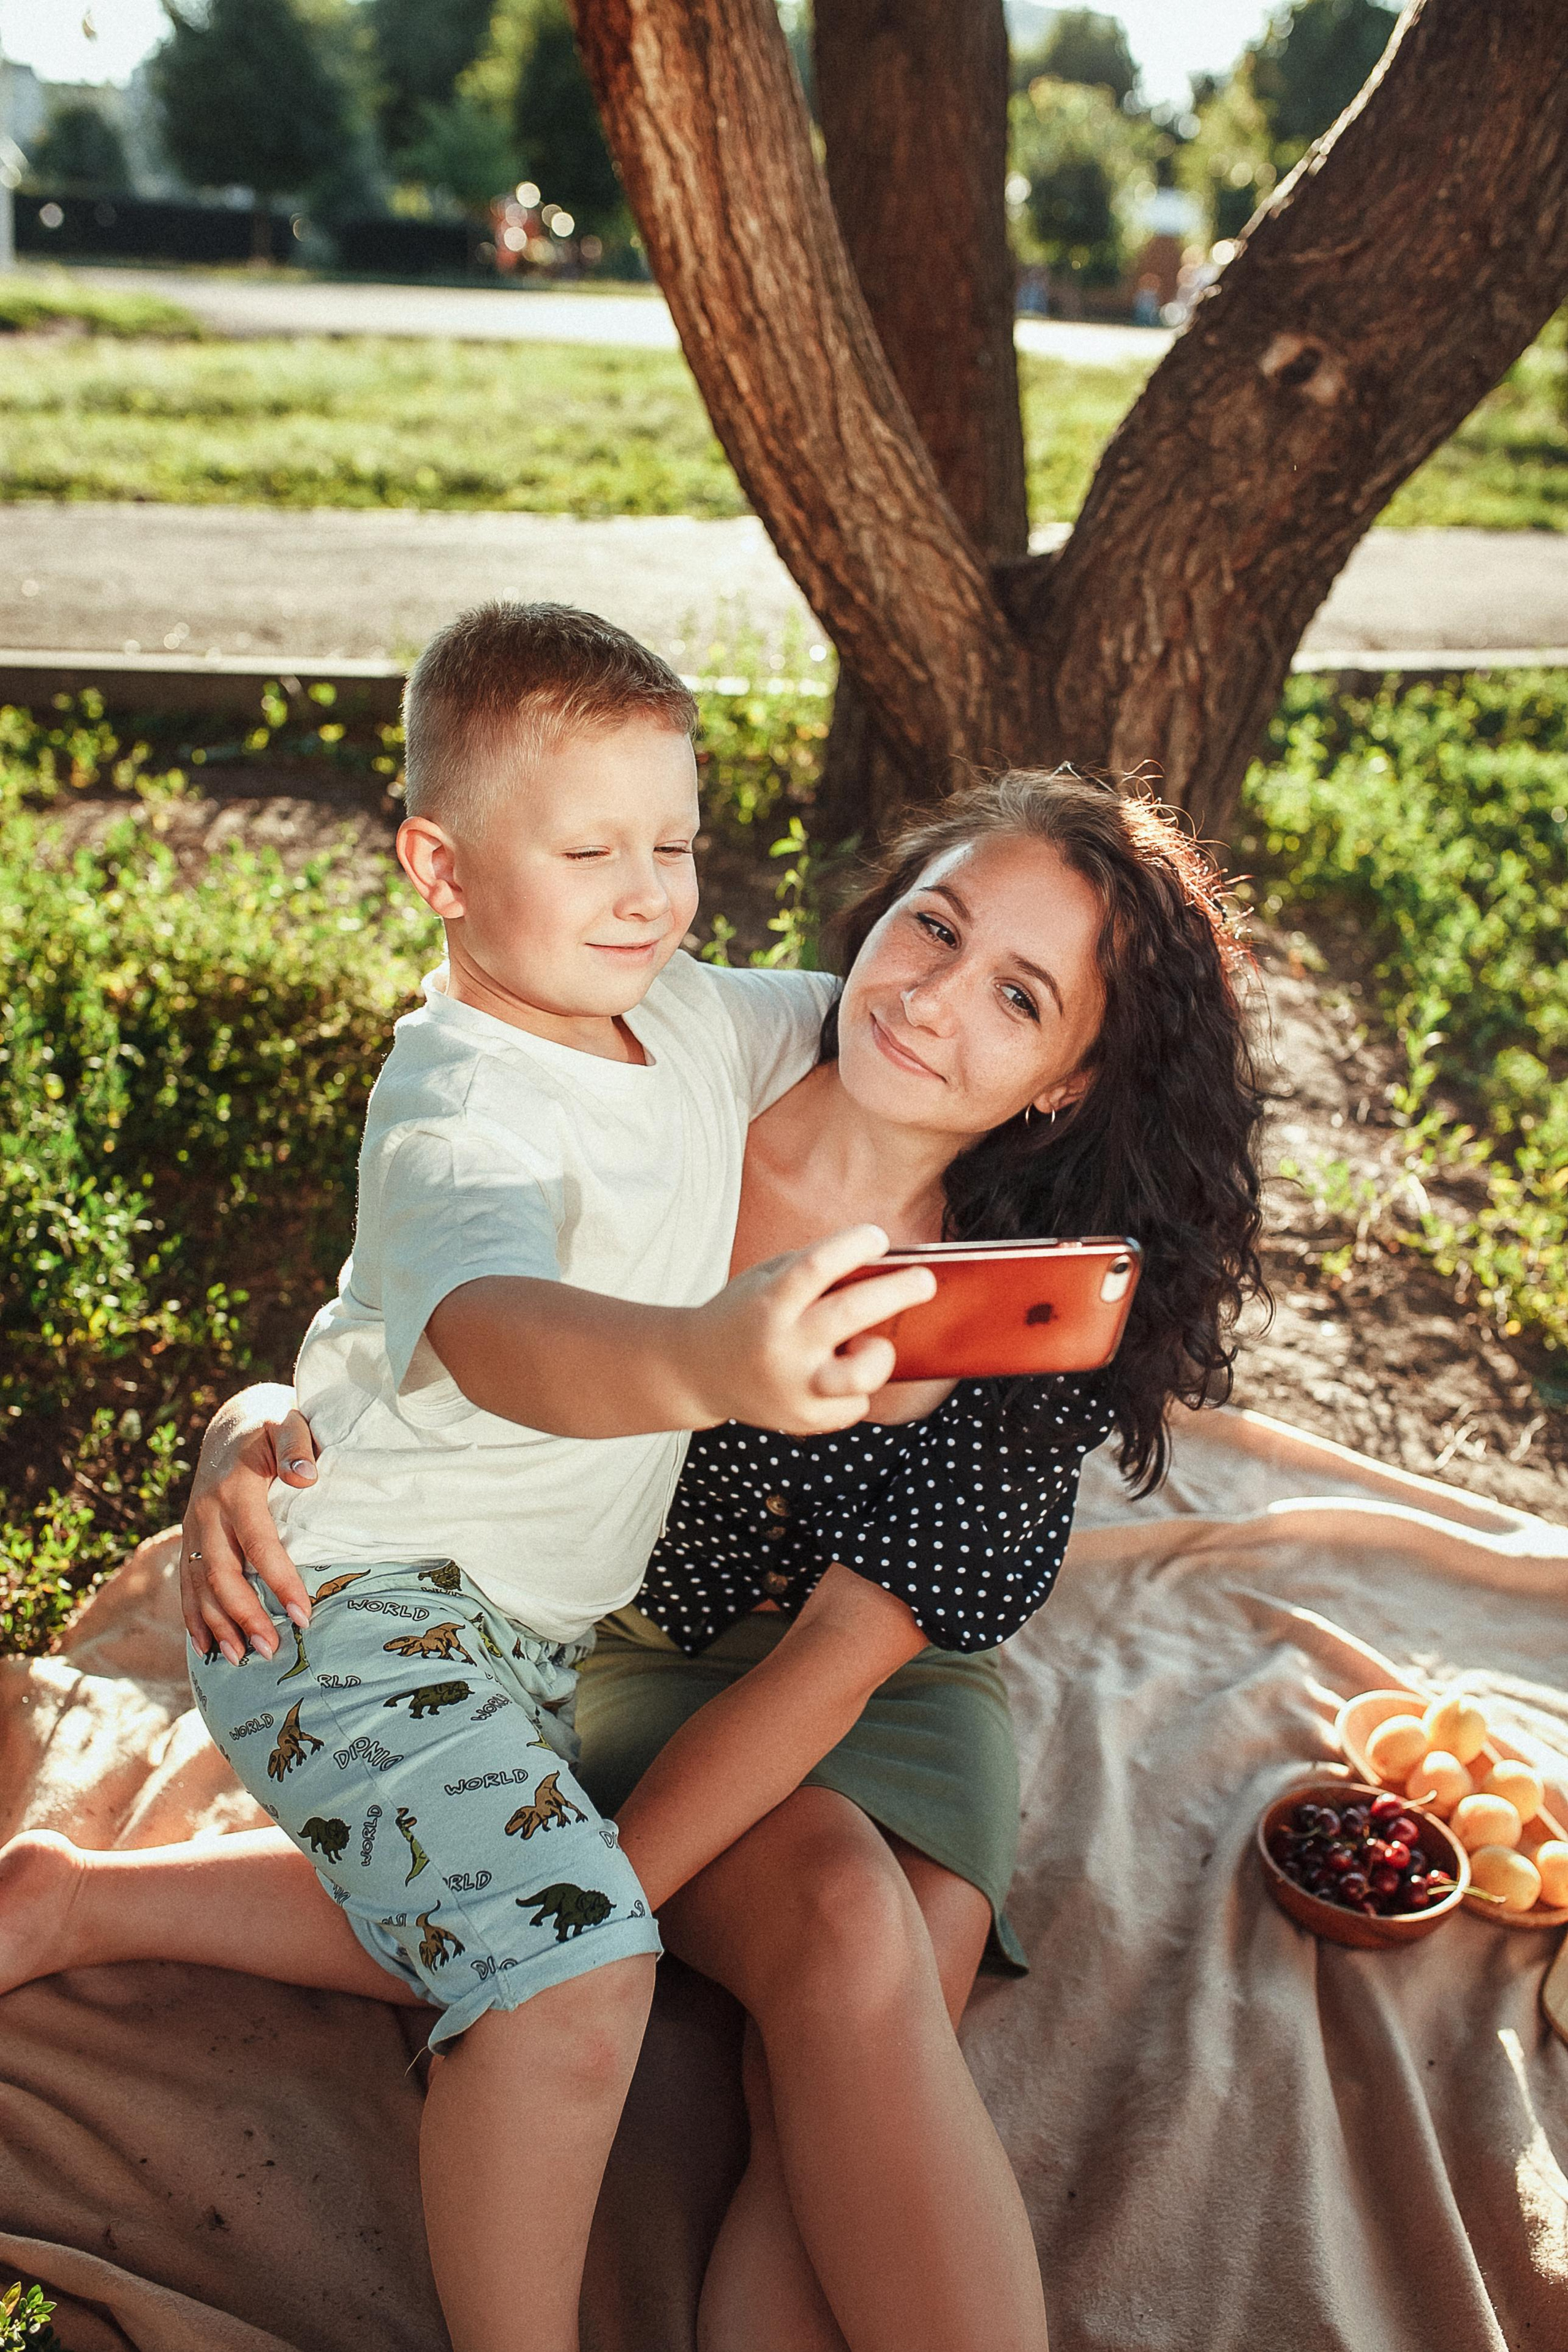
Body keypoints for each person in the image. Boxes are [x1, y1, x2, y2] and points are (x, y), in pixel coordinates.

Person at [1, 770, 1266, 2352]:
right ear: (880, 910)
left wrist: (582, 1922)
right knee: (839, 1929)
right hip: (606, 1641)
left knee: (867, 1991)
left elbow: (832, 1675)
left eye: (1018, 997)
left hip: (872, 1683)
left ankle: (112, 1904)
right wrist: (241, 1426)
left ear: (1068, 1081)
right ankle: (92, 1907)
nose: (935, 1000)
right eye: (932, 926)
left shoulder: (1019, 1303)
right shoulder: (659, 1089)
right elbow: (419, 1292)